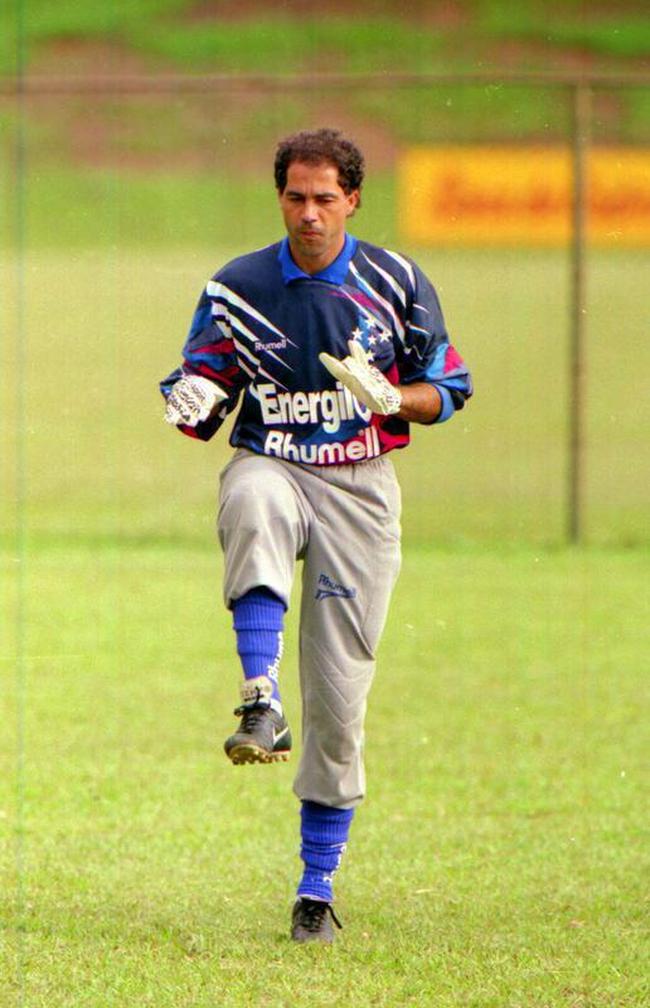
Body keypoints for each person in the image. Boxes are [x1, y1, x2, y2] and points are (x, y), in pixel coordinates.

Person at [160, 128, 472, 943]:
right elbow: (205, 380)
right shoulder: (239, 286)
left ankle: (315, 891)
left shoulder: (395, 281)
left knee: (339, 703)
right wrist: (190, 397)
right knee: (251, 497)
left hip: (361, 490)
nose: (308, 213)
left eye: (325, 198)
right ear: (281, 199)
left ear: (353, 200)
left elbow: (449, 386)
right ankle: (260, 696)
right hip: (275, 462)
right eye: (295, 197)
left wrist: (396, 398)